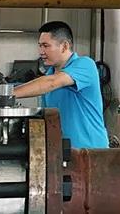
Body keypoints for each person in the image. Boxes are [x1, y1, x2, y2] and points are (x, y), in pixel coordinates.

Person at [12, 21, 108, 149]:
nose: (41, 52)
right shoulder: (49, 75)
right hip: (63, 152)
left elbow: (52, 83)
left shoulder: (85, 65)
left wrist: (7, 93)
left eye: (46, 46)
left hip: (91, 151)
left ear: (64, 46)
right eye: (40, 46)